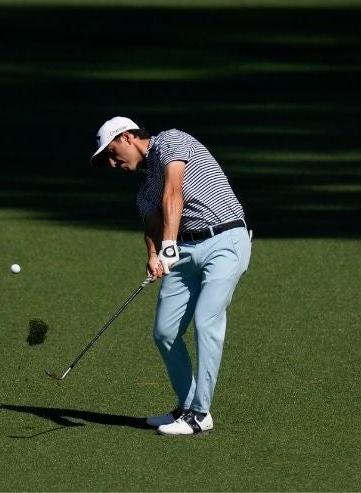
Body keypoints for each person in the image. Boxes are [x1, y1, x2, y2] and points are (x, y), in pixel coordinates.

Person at [91, 116, 252, 436]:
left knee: (207, 321)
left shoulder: (171, 141)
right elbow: (152, 225)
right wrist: (154, 255)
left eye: (111, 153)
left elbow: (173, 193)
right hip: (184, 253)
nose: (112, 163)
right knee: (164, 332)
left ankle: (201, 414)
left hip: (226, 240)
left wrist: (166, 248)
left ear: (126, 137)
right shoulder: (143, 192)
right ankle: (187, 404)